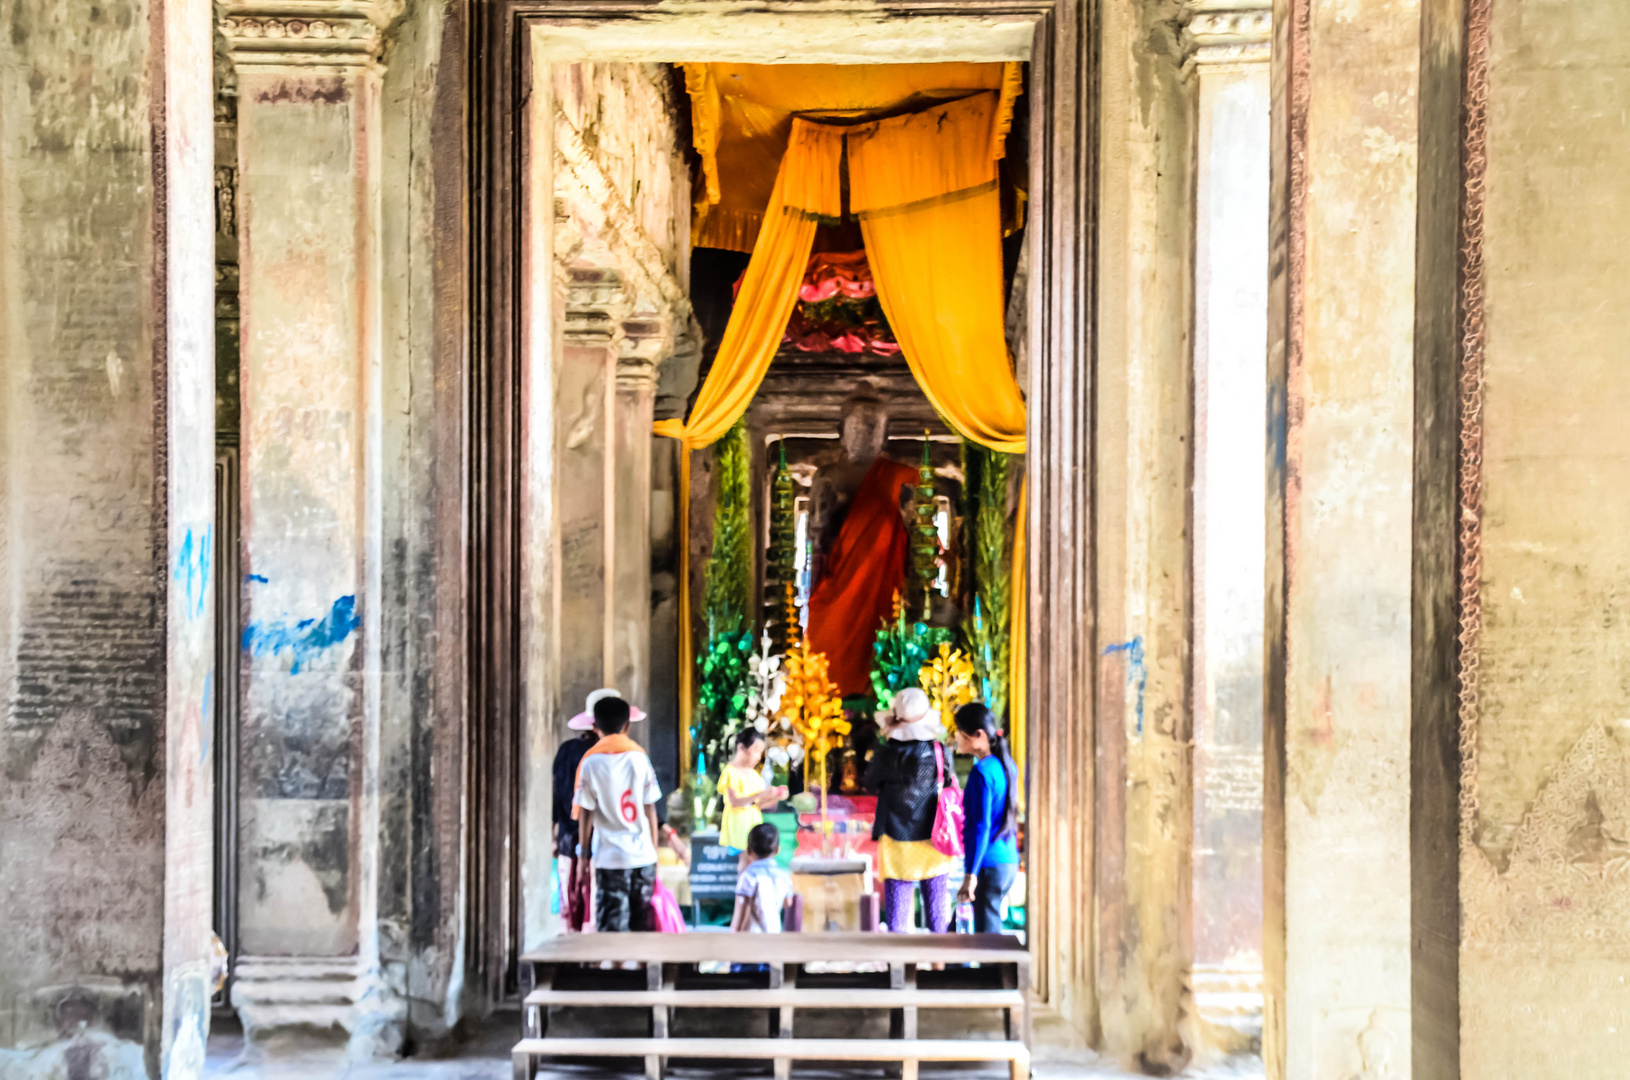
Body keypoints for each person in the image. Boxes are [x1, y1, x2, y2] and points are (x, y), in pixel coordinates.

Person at [863, 687, 958, 933]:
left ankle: (900, 966)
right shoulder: (939, 752)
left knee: (898, 911)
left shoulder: (885, 754)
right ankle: (939, 965)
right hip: (934, 835)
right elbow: (948, 784)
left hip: (896, 836)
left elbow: (870, 783)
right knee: (937, 908)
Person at [573, 694, 662, 932]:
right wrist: (653, 852)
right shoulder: (640, 758)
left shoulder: (590, 763)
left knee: (612, 935)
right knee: (643, 930)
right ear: (627, 725)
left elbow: (585, 813)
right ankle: (642, 969)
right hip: (642, 857)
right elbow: (650, 807)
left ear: (595, 727)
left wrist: (583, 856)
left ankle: (617, 969)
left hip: (609, 858)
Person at [952, 702, 1020, 933]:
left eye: (960, 733)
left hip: (989, 865)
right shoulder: (1007, 764)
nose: (956, 738)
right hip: (1007, 860)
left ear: (978, 735)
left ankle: (993, 971)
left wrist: (971, 874)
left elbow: (981, 826)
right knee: (987, 931)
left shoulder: (981, 772)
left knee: (988, 939)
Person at [719, 728, 788, 860]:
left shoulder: (755, 776)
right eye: (756, 751)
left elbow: (757, 805)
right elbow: (735, 802)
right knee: (743, 864)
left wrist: (776, 797)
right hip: (737, 831)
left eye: (760, 752)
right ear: (742, 748)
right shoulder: (730, 772)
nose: (758, 756)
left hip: (754, 830)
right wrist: (760, 795)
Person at [730, 822, 793, 934]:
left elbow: (740, 915)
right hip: (774, 934)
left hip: (751, 938)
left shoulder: (747, 876)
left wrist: (734, 932)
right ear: (778, 850)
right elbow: (787, 902)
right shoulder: (783, 876)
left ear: (749, 850)